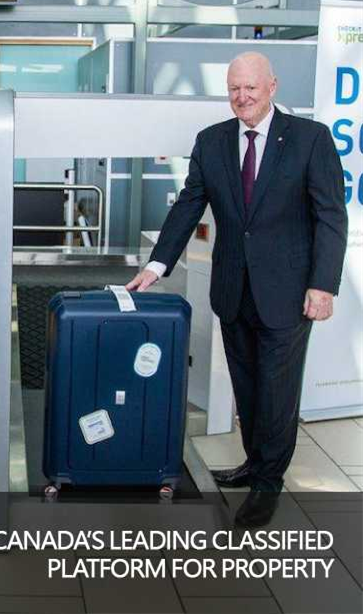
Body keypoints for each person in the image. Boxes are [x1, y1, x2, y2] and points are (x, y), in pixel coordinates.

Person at [126, 52, 348, 527]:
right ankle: (255, 460)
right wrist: (158, 264)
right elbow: (189, 204)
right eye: (233, 89)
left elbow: (331, 216)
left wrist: (323, 285)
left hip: (289, 292)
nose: (241, 97)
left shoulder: (311, 140)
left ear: (271, 86)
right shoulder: (212, 142)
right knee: (247, 385)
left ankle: (268, 483)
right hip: (233, 289)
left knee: (277, 391)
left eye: (250, 87)